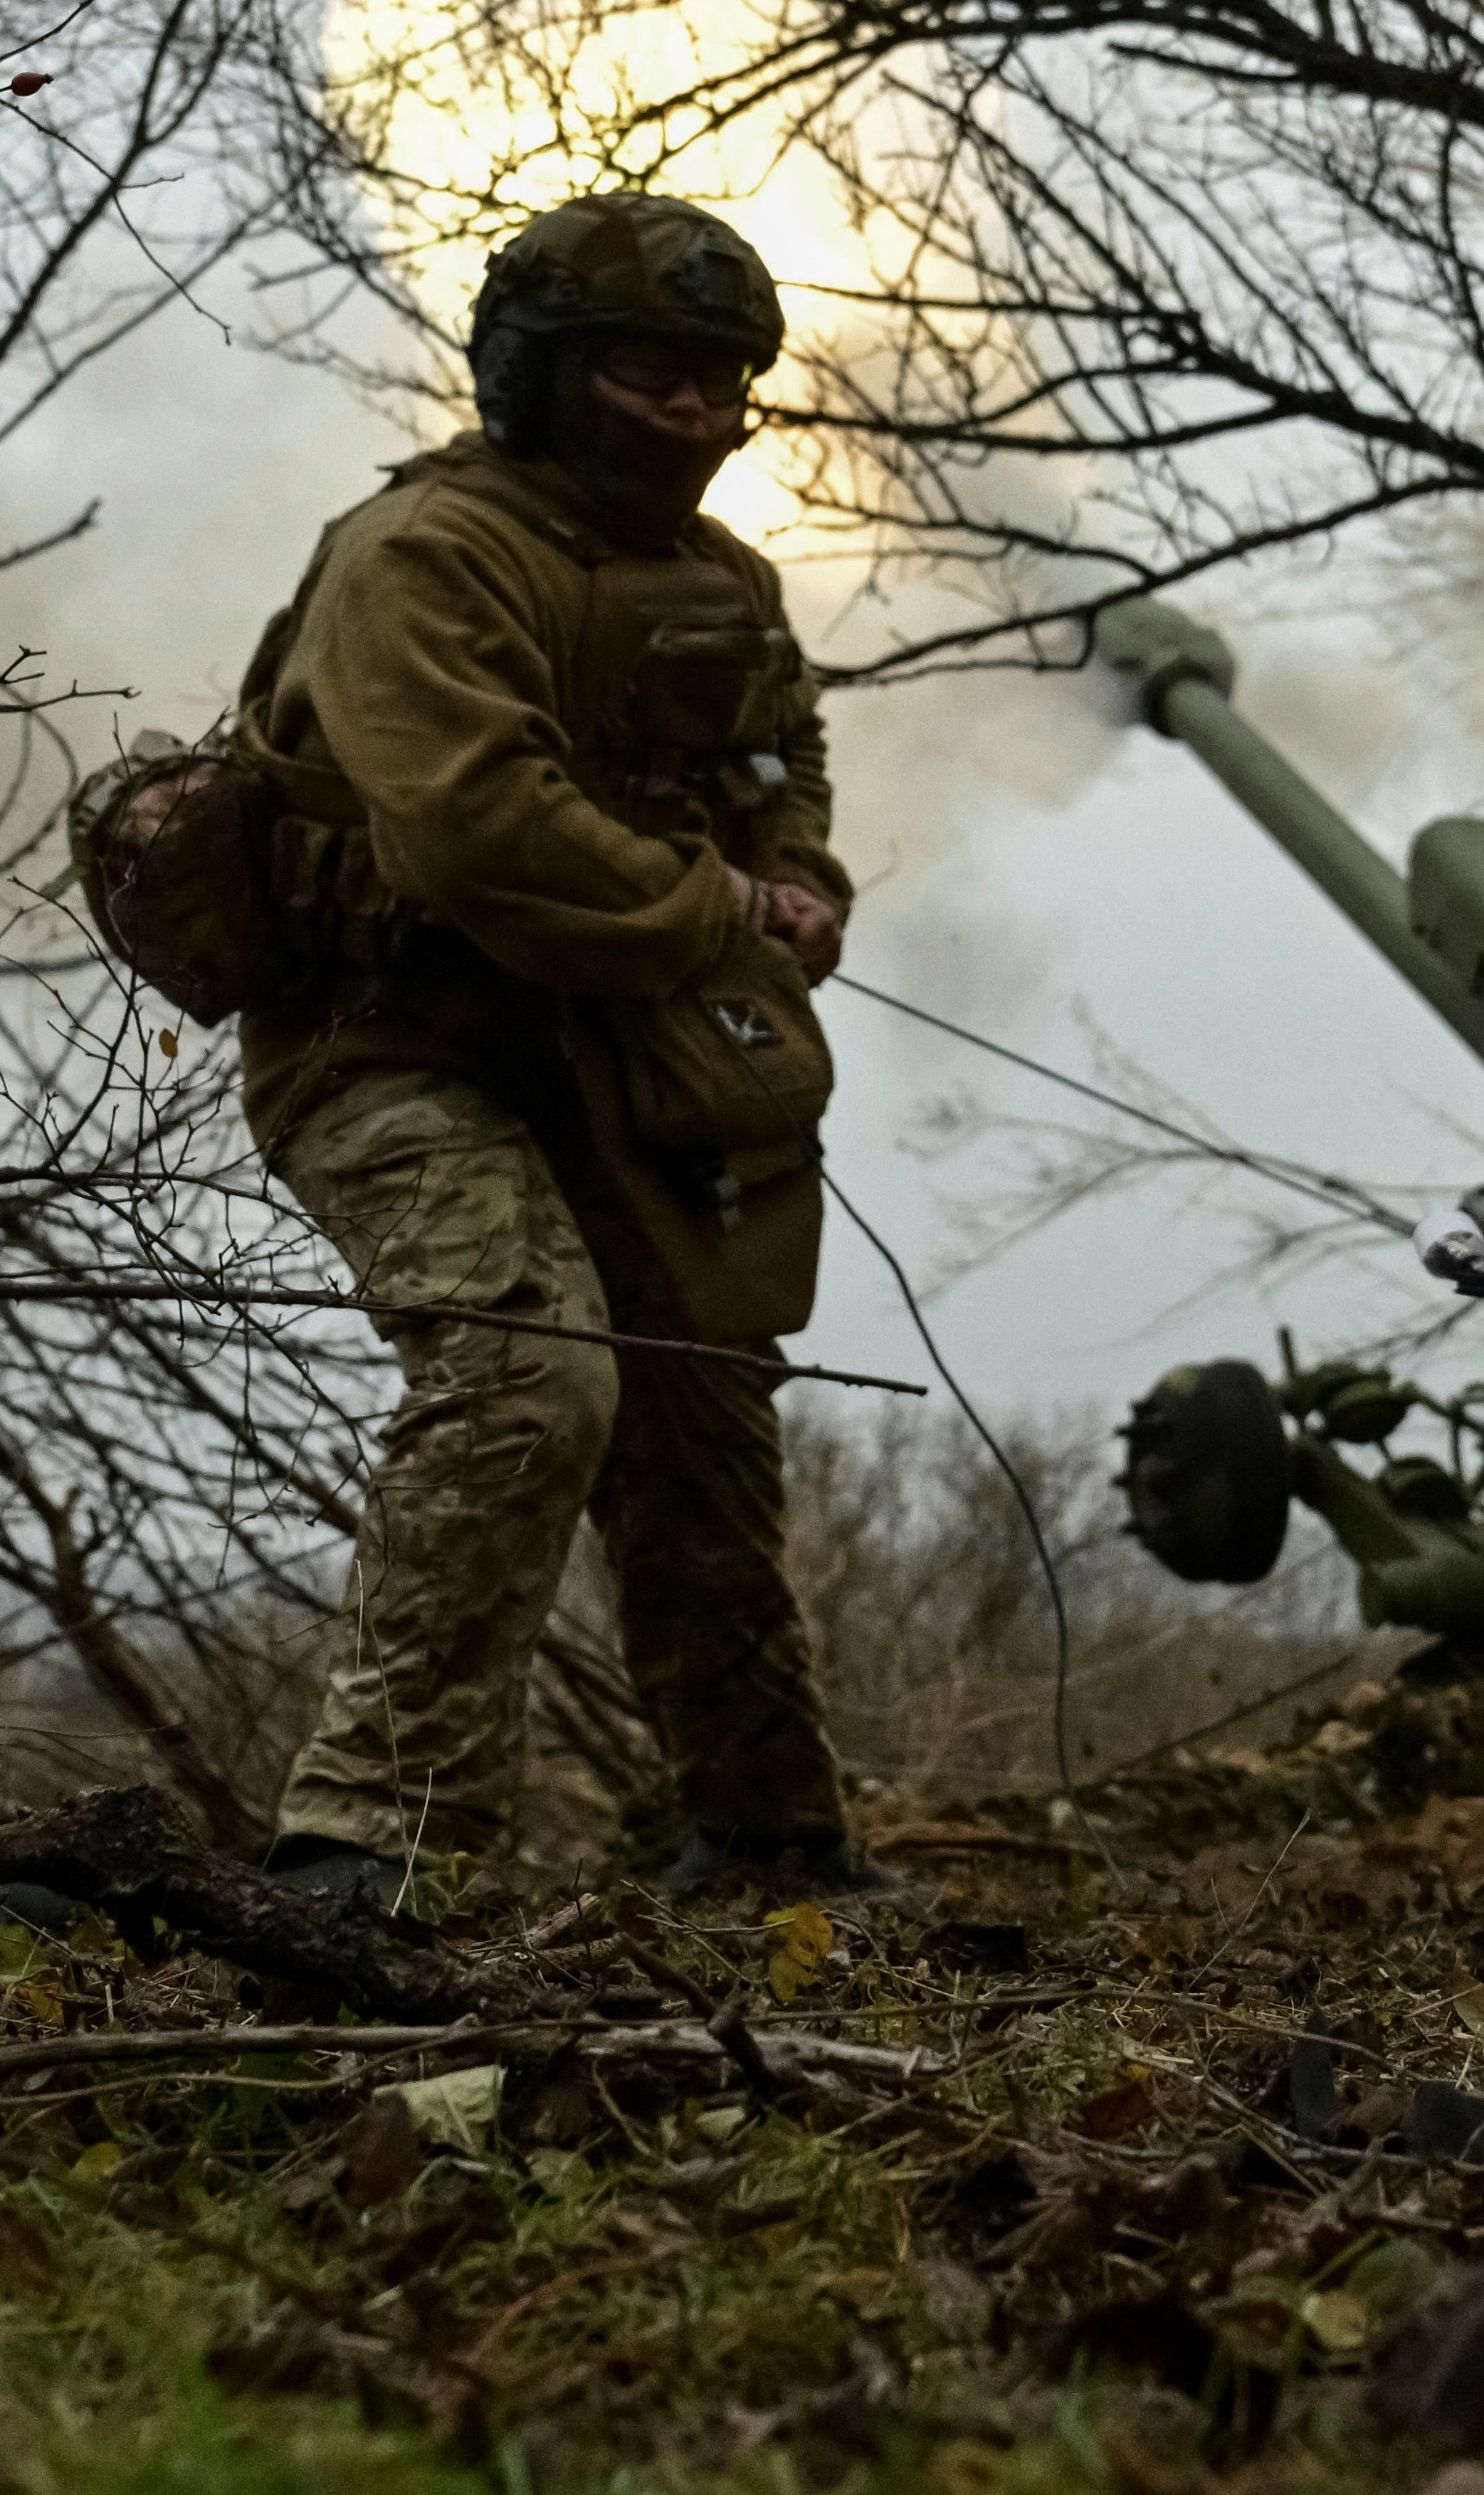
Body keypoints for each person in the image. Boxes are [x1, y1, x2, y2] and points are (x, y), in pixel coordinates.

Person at [231, 191, 891, 1909]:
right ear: (544, 373)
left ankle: (769, 1847)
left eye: (718, 379)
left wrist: (802, 875)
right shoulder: (422, 556)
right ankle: (363, 1855)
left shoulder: (721, 580)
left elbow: (779, 751)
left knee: (698, 1415)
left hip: (633, 1058)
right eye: (647, 374)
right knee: (529, 1379)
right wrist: (724, 912)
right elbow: (479, 828)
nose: (689, 414)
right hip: (395, 1048)